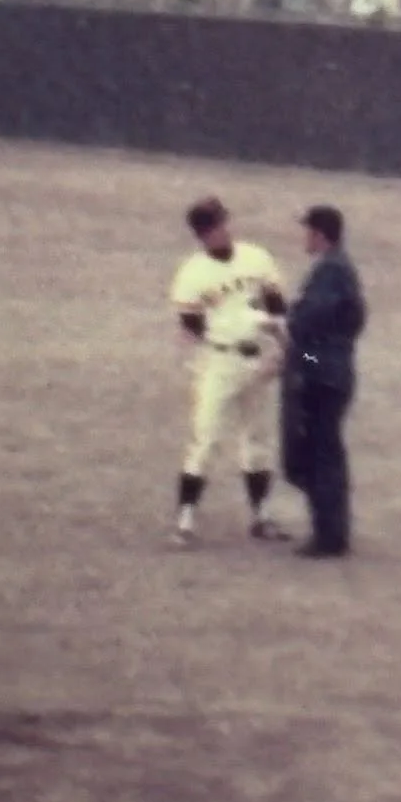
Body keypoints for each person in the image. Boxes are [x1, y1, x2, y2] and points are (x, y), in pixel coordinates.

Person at [168, 196, 291, 549]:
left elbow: (278, 306)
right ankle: (185, 518)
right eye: (218, 225)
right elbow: (192, 325)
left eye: (225, 222)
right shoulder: (193, 273)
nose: (226, 230)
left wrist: (284, 349)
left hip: (256, 361)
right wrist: (232, 327)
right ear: (204, 233)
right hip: (219, 361)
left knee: (257, 441)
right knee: (206, 439)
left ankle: (261, 516)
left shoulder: (256, 257)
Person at [282, 205, 367, 559]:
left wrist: (286, 329)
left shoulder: (330, 271)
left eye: (308, 231)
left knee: (321, 454)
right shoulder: (339, 269)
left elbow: (308, 323)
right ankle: (331, 530)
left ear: (320, 234)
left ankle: (329, 534)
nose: (304, 237)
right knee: (325, 452)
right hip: (333, 365)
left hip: (322, 368)